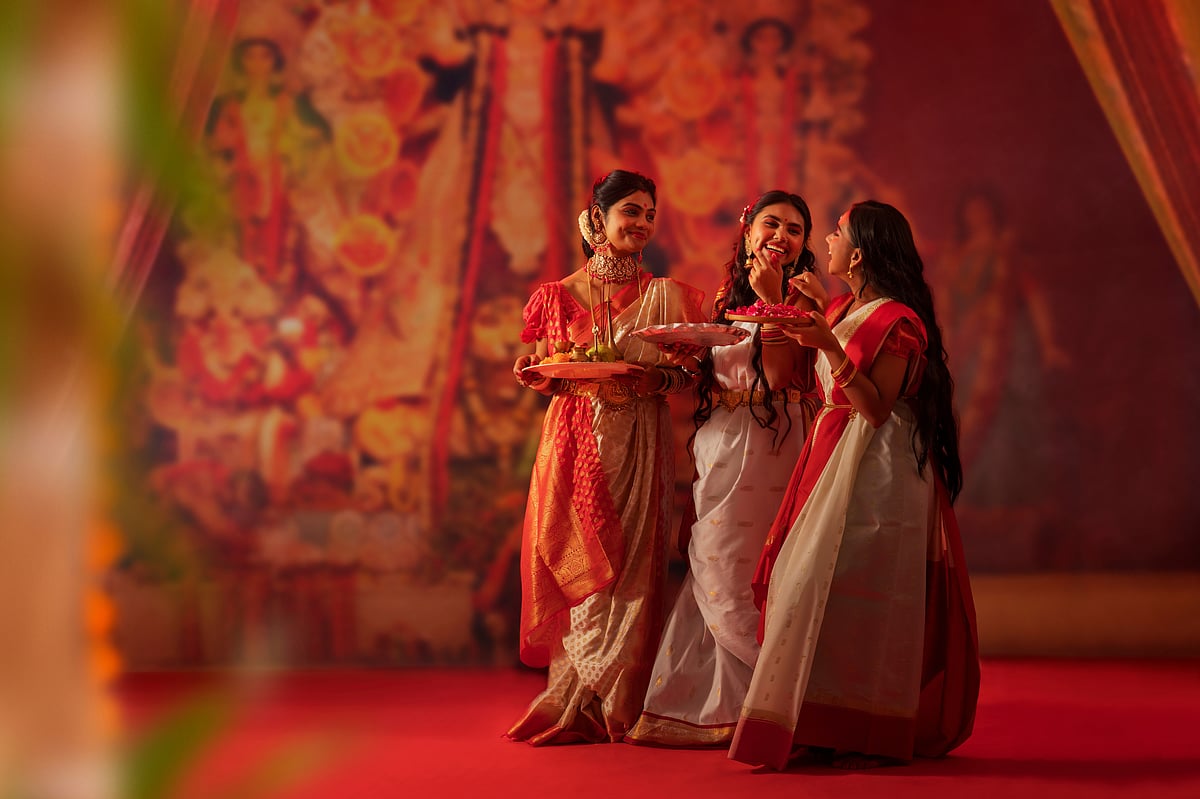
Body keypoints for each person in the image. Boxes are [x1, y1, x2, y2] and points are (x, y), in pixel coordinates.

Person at [729, 200, 980, 770]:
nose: (828, 241)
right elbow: (795, 366)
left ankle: (862, 723)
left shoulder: (897, 321)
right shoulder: (845, 307)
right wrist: (785, 306)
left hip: (878, 472)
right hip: (834, 458)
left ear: (859, 253)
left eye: (837, 233)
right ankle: (814, 720)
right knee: (812, 586)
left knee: (860, 595)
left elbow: (875, 407)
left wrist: (827, 346)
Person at [505, 169, 705, 745]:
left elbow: (690, 372)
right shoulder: (556, 295)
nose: (641, 224)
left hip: (641, 436)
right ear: (597, 219)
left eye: (649, 215)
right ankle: (572, 694)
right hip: (574, 440)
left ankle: (612, 701)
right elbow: (550, 368)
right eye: (630, 212)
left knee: (634, 561)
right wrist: (535, 377)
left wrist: (656, 376)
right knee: (579, 553)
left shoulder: (664, 296)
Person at [625, 190, 823, 746]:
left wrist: (774, 301)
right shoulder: (724, 297)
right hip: (722, 441)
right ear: (748, 231)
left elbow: (784, 376)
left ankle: (776, 695)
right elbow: (716, 370)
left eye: (794, 230)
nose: (781, 237)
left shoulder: (805, 300)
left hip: (776, 442)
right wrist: (678, 362)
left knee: (755, 563)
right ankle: (716, 705)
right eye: (771, 224)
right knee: (711, 557)